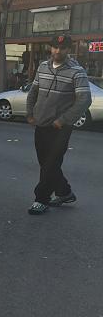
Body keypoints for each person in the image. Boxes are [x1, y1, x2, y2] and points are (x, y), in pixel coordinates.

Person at [26, 35, 92, 215]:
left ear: (68, 50)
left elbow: (85, 99)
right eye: (54, 47)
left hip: (60, 128)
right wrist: (30, 113)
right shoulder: (43, 66)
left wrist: (62, 120)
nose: (57, 51)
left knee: (50, 163)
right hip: (41, 123)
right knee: (46, 163)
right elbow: (33, 91)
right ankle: (64, 192)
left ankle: (41, 199)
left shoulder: (77, 71)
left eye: (62, 48)